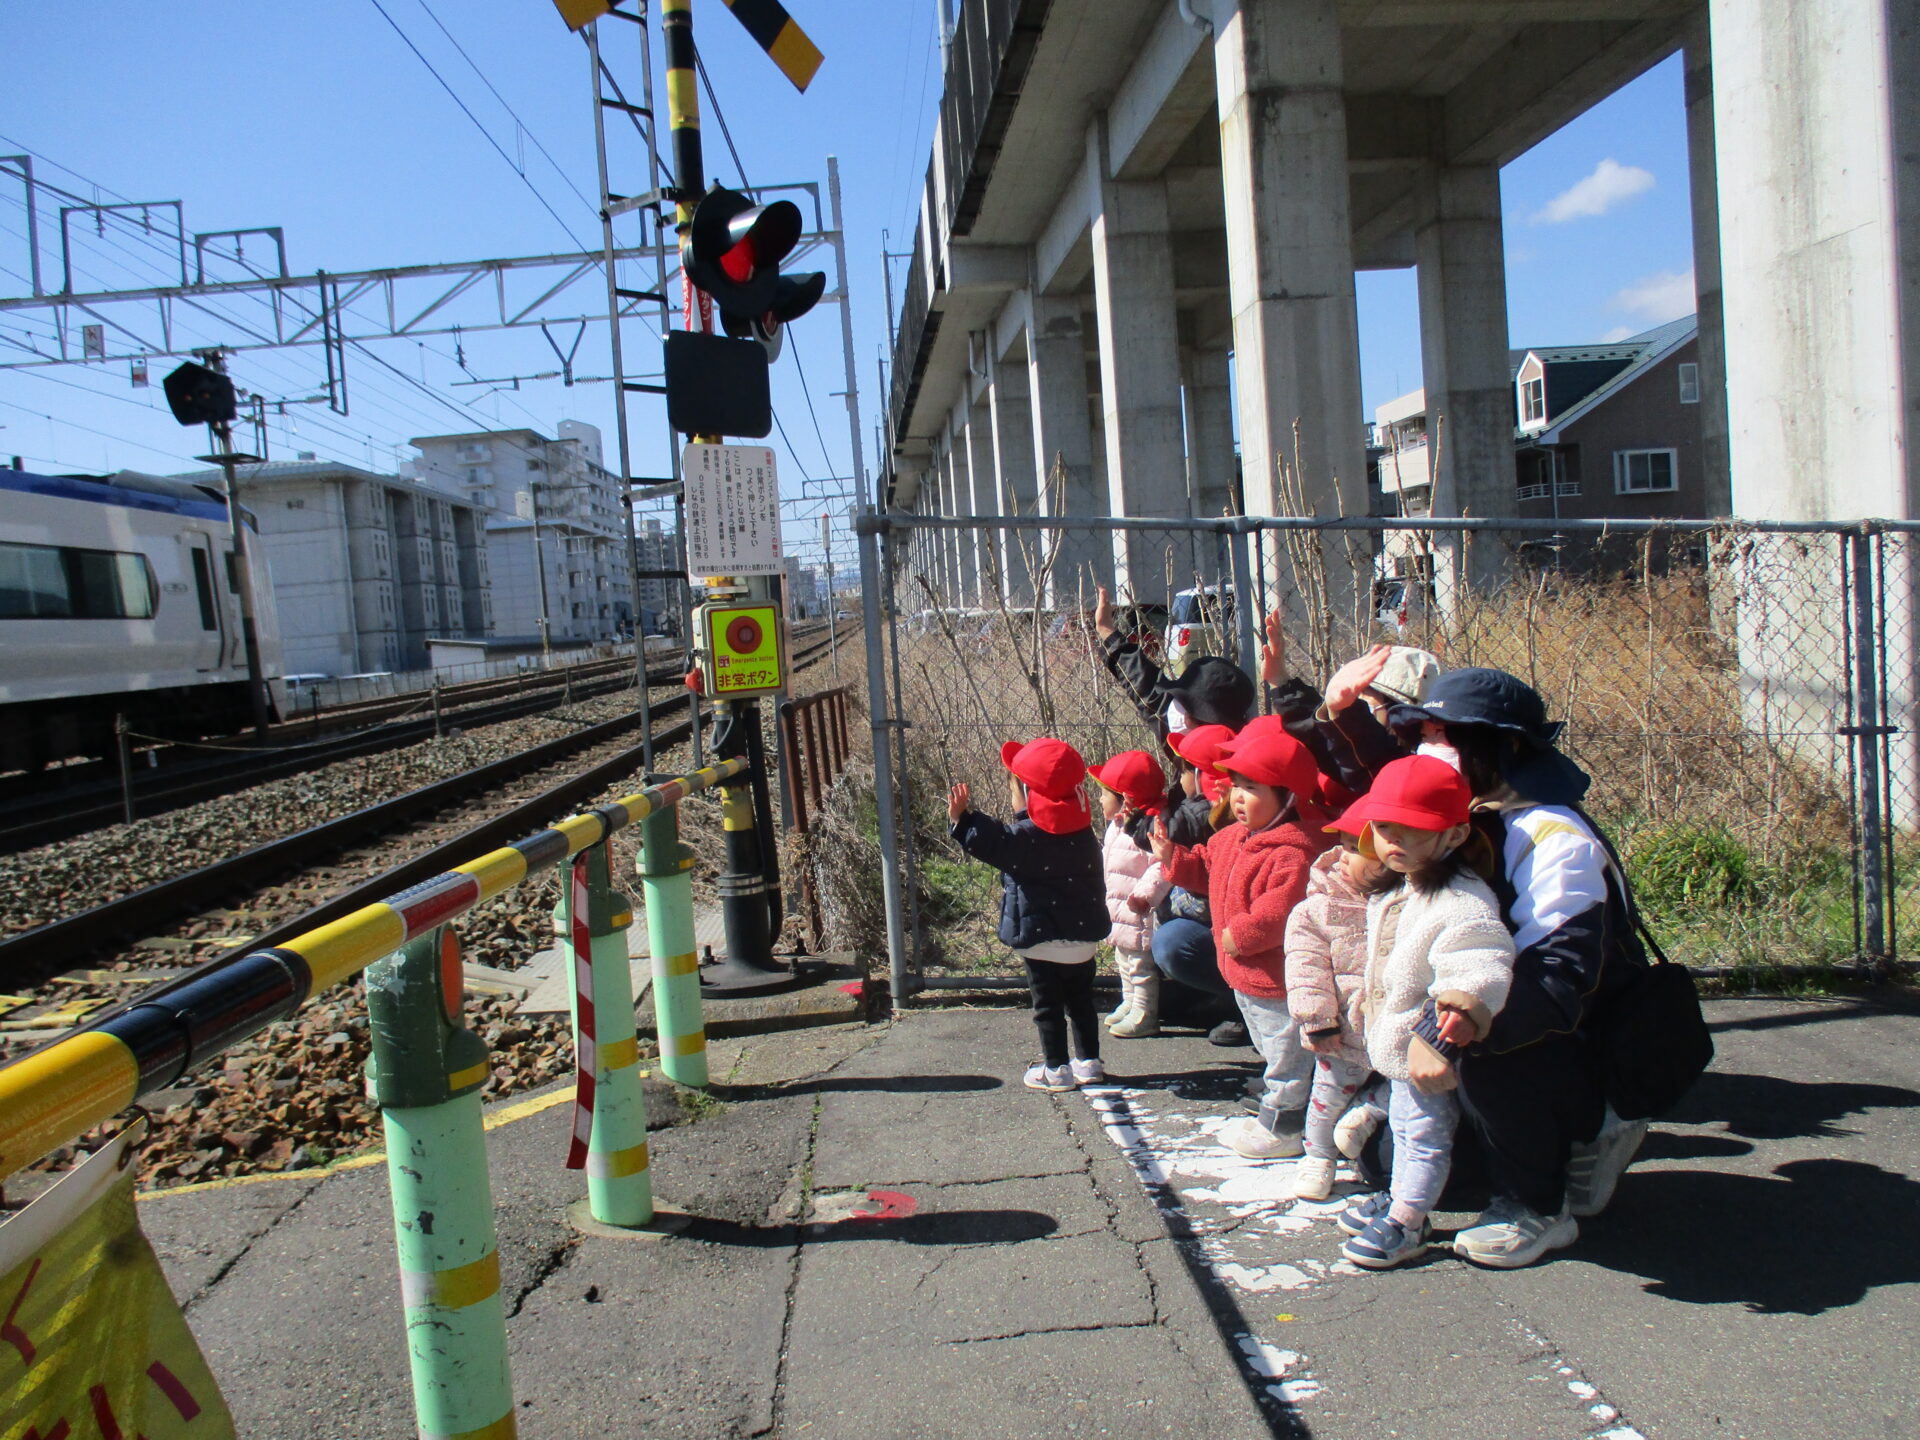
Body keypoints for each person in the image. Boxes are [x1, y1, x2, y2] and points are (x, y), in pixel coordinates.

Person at [1347, 667, 1654, 1266]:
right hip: (1480, 1020)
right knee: (1385, 1160)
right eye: (1425, 735)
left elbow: (1557, 979)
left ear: (1503, 747)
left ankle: (1545, 1195)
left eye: (1443, 737)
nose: (1428, 749)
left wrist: (1445, 1030)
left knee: (1487, 1052)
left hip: (1574, 1042)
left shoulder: (1554, 836)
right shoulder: (1473, 814)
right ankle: (1523, 1154)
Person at [1316, 756, 1516, 1268]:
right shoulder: (1405, 886)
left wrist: (1445, 1029)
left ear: (1454, 835)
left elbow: (1479, 964)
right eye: (1384, 827)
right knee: (1405, 1131)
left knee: (1423, 1137)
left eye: (1414, 830)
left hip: (1426, 1051)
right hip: (1398, 1049)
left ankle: (1407, 1222)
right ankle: (1402, 1202)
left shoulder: (1460, 901)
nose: (1394, 841)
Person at [1151, 728, 1334, 1158]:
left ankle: (1284, 1127)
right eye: (1236, 785)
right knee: (1272, 1046)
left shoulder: (1293, 853)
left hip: (1277, 978)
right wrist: (1173, 857)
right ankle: (1286, 1100)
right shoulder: (1233, 838)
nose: (1237, 796)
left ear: (1288, 797)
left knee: (1287, 1053)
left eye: (1252, 788)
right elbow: (1206, 869)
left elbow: (1280, 912)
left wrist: (1241, 935)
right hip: (1244, 973)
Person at [948, 738, 1112, 1093]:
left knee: (1048, 1006)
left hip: (1041, 943)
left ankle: (1056, 1070)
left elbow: (989, 840)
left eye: (1014, 790)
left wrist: (962, 818)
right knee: (1081, 1002)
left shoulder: (1024, 838)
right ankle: (1089, 1063)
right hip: (1083, 941)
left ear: (1027, 794)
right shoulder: (1084, 832)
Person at [1280, 833, 1384, 1200]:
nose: (1344, 857)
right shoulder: (1316, 908)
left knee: (1411, 1090)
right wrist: (1318, 1019)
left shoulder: (1406, 900)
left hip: (1395, 1032)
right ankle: (1318, 1157)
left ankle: (1370, 1108)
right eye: (1345, 846)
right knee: (1327, 1098)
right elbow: (1305, 967)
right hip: (1344, 1031)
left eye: (1359, 850)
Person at [1088, 749, 1171, 1038]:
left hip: (1139, 909)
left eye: (1104, 794)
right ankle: (1130, 1002)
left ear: (1126, 798)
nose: (1100, 800)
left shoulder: (1152, 825)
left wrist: (1145, 896)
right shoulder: (1118, 825)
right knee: (1123, 958)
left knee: (1139, 964)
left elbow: (1161, 865)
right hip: (1118, 907)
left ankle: (1145, 1012)